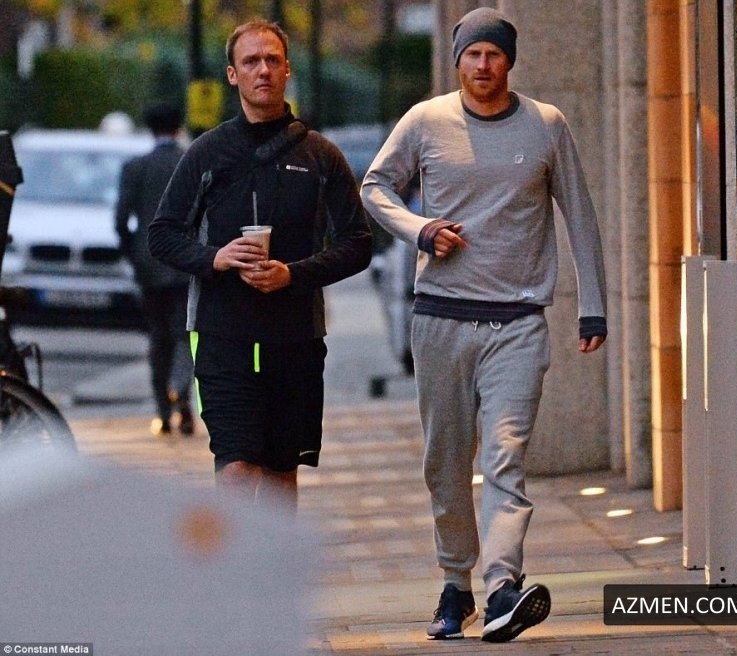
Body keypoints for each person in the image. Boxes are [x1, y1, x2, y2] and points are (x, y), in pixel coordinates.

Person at [361, 7, 607, 643]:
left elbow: (580, 217)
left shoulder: (546, 124)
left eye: (494, 54)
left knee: (505, 457)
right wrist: (421, 229)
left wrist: (593, 305)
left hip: (518, 322)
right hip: (441, 318)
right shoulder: (425, 121)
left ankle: (502, 586)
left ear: (509, 61)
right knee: (445, 463)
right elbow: (375, 187)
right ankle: (455, 584)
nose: (483, 64)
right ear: (457, 60)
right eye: (472, 54)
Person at [148, 19, 372, 508]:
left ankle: (272, 560)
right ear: (232, 75)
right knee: (236, 466)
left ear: (288, 70)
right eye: (251, 61)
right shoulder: (207, 153)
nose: (263, 70)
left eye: (273, 60)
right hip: (222, 335)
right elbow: (162, 234)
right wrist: (215, 258)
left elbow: (358, 242)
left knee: (278, 473)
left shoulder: (320, 155)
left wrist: (294, 274)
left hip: (295, 336)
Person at [115, 102, 195, 437]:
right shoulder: (190, 163)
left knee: (158, 338)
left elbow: (121, 220)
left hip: (149, 265)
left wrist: (134, 255)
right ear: (178, 127)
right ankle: (182, 393)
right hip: (187, 263)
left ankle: (163, 411)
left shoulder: (136, 167)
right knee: (185, 334)